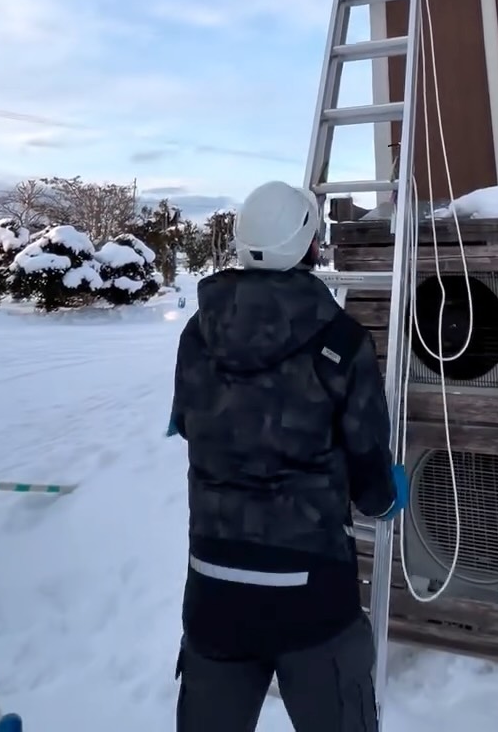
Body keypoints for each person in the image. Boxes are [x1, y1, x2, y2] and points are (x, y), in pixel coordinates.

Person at [168, 180, 408, 732]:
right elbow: (371, 482)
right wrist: (387, 492)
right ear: (309, 246)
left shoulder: (197, 334)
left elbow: (188, 423)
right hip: (312, 596)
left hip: (213, 589)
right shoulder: (341, 342)